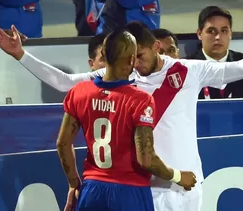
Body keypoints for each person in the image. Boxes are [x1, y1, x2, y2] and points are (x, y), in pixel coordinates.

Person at [0, 7, 243, 211]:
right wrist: (21, 55)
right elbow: (63, 82)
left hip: (188, 184)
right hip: (146, 187)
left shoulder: (188, 70)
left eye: (139, 56)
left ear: (156, 48)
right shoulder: (121, 73)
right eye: (130, 58)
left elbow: (242, 69)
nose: (134, 64)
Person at [56, 29, 197, 211]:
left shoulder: (79, 92)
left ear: (104, 55)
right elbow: (146, 160)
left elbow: (62, 143)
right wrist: (179, 177)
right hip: (130, 193)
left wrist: (74, 183)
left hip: (92, 191)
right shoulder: (140, 100)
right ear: (131, 60)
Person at [189, 6, 243, 99]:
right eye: (211, 31)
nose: (218, 37)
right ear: (199, 34)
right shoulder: (186, 68)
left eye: (224, 31)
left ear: (230, 34)